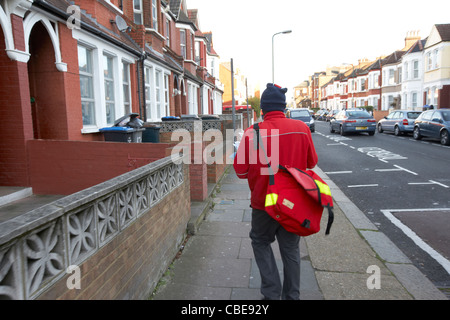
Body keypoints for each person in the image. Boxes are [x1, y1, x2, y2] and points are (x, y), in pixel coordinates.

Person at [233, 83, 318, 300]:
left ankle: (271, 293)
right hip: (294, 204)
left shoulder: (253, 133)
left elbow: (241, 172)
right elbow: (311, 163)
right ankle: (292, 296)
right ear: (284, 106)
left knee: (260, 241)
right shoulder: (302, 128)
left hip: (263, 203)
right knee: (291, 250)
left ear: (262, 110)